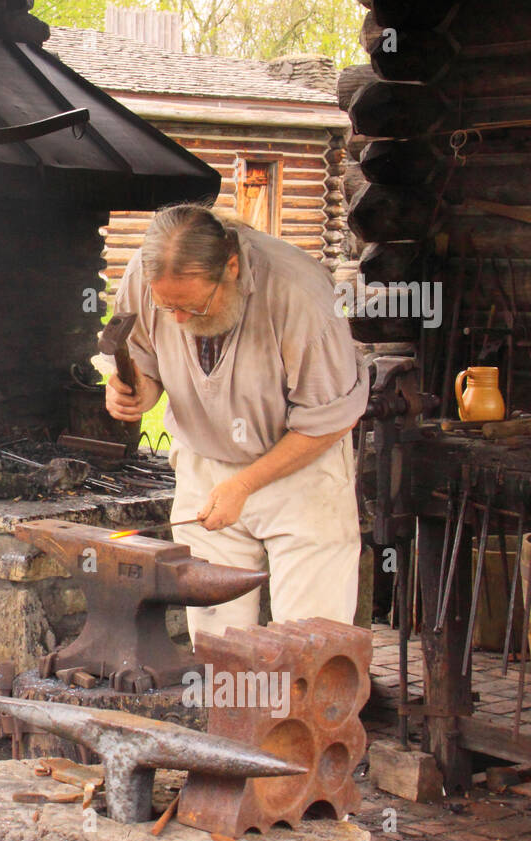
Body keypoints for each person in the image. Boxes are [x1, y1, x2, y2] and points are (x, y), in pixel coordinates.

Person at [105, 203, 367, 638]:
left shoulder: (299, 295)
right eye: (168, 308)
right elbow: (145, 361)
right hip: (207, 466)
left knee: (309, 640)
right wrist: (136, 393)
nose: (180, 320)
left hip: (301, 470)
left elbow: (329, 420)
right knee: (216, 641)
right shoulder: (148, 277)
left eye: (193, 306)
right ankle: (230, 707)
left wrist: (244, 485)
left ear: (231, 267)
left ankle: (298, 710)